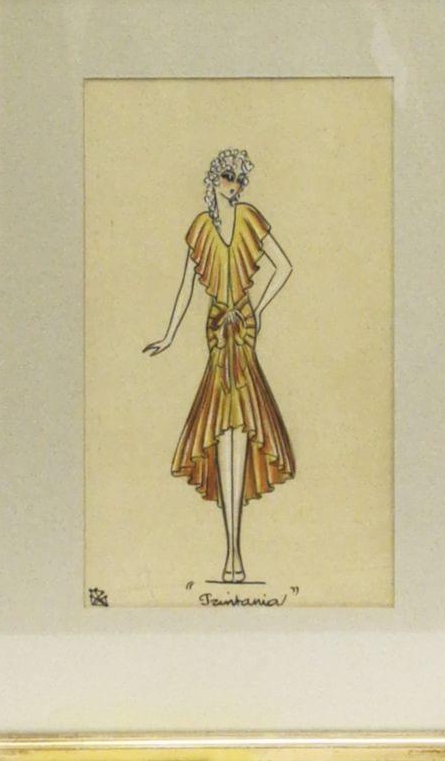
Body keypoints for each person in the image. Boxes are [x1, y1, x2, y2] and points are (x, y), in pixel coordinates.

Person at [144, 148, 295, 583]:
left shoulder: (249, 218)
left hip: (242, 334)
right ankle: (231, 550)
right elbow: (186, 288)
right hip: (217, 336)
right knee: (224, 432)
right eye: (229, 177)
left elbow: (284, 267)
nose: (236, 186)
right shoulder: (200, 228)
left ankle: (235, 553)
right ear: (214, 179)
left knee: (241, 430)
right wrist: (169, 335)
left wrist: (257, 308)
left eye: (241, 179)